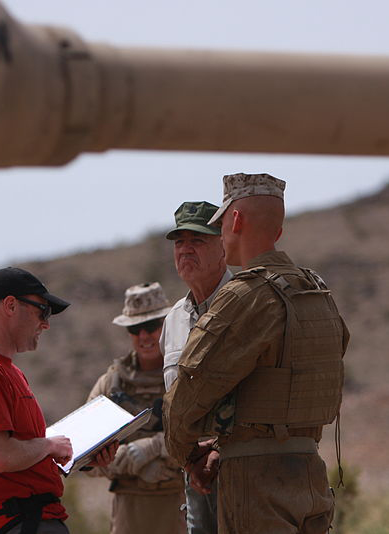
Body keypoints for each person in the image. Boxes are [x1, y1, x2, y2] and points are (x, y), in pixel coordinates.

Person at [164, 173, 350, 534]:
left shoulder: (245, 296)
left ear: (234, 221)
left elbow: (187, 394)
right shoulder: (316, 293)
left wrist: (188, 458)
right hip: (310, 474)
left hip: (256, 484)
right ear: (278, 231)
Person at [0, 267, 117, 534]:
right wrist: (48, 446)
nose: (46, 323)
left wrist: (81, 457)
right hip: (16, 522)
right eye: (42, 311)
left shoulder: (4, 370)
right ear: (10, 305)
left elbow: (19, 459)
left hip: (27, 519)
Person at [85, 282, 184, 534]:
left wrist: (153, 447)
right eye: (135, 328)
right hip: (130, 512)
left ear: (166, 325)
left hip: (183, 503)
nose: (144, 336)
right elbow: (85, 457)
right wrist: (131, 462)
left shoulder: (186, 376)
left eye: (151, 326)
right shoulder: (111, 384)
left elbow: (210, 439)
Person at [160, 200, 233, 534]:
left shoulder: (248, 306)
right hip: (194, 476)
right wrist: (190, 460)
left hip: (243, 467)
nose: (186, 250)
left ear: (223, 247)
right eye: (179, 242)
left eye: (198, 240)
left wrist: (218, 450)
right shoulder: (173, 319)